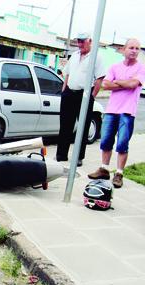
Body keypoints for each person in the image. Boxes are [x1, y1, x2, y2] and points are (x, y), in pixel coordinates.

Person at [88, 38, 145, 188]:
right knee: (106, 140)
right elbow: (105, 85)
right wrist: (125, 82)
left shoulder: (141, 68)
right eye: (131, 47)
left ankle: (119, 173)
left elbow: (134, 84)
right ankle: (104, 169)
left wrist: (117, 82)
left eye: (137, 48)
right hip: (111, 110)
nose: (134, 50)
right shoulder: (114, 66)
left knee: (122, 143)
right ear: (124, 49)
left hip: (127, 112)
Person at [56, 32, 106, 167]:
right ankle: (61, 154)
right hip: (69, 94)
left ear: (90, 41)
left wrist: (92, 96)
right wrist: (64, 90)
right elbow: (67, 73)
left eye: (82, 41)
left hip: (84, 95)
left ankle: (78, 157)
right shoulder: (75, 55)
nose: (80, 44)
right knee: (65, 125)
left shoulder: (96, 57)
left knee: (83, 127)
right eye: (78, 41)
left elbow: (100, 78)